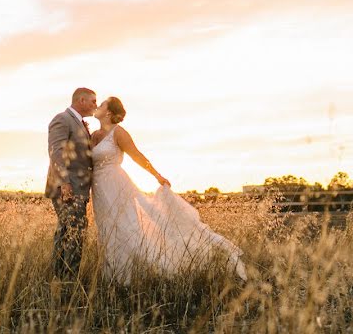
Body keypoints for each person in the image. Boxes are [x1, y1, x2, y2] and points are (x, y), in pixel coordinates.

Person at [89, 96, 247, 284]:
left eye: (101, 104)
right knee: (107, 229)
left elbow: (137, 155)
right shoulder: (93, 135)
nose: (97, 106)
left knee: (126, 227)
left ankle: (137, 277)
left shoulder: (119, 133)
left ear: (108, 112)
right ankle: (114, 277)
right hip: (98, 188)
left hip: (117, 184)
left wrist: (157, 176)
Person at [45, 87, 97, 281]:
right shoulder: (62, 119)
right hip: (67, 187)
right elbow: (56, 151)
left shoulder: (80, 123)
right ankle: (68, 280)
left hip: (78, 187)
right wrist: (65, 182)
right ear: (81, 100)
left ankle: (60, 279)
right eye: (93, 101)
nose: (95, 105)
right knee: (73, 234)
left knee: (69, 232)